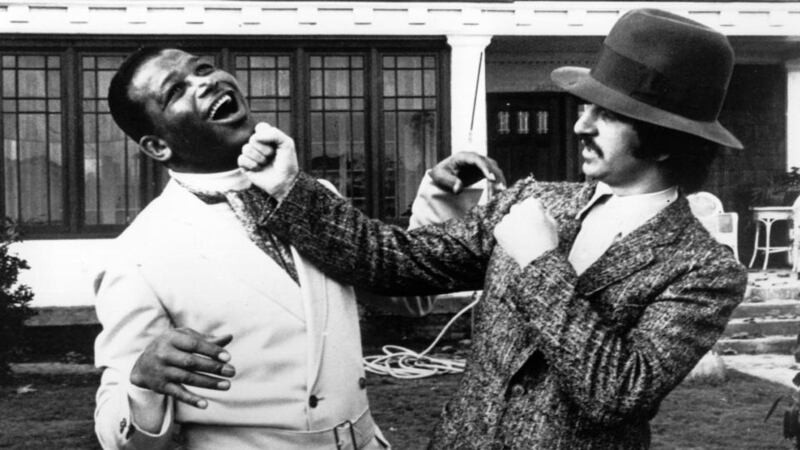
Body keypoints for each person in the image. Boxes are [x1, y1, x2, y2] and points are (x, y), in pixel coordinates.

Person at [237, 9, 748, 449]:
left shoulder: (705, 269)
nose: (579, 126)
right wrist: (287, 186)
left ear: (664, 143)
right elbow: (389, 260)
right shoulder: (531, 199)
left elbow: (616, 392)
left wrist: (540, 263)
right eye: (586, 106)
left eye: (607, 115)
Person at [93, 47, 397, 449]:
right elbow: (119, 435)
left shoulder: (315, 195)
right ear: (157, 147)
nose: (204, 82)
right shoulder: (137, 255)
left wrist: (443, 201)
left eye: (203, 69)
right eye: (176, 91)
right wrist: (142, 384)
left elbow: (402, 297)